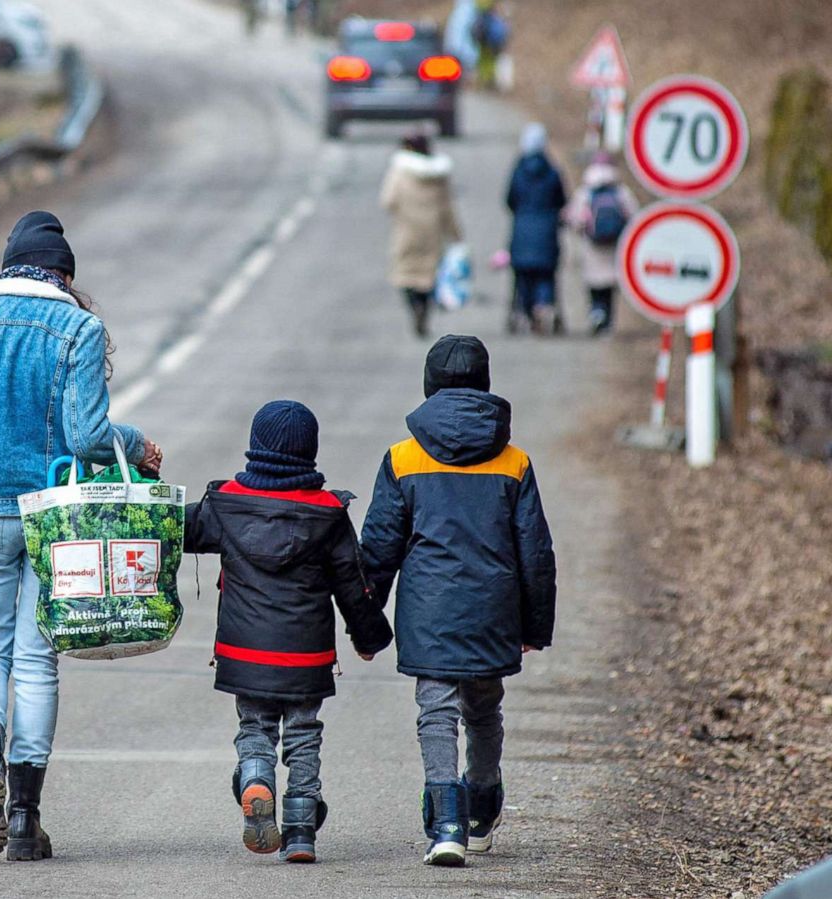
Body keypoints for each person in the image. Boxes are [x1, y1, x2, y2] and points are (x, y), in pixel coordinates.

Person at [0, 210, 161, 863]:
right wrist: (135, 445)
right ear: (64, 274)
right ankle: (22, 819)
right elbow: (89, 439)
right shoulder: (79, 328)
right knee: (38, 659)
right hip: (54, 521)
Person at [359, 335, 557, 867]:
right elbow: (535, 550)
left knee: (437, 711)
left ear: (429, 385)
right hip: (495, 607)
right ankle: (482, 807)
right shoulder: (514, 461)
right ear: (485, 385)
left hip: (430, 608)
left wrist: (365, 621)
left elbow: (379, 547)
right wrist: (535, 626)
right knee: (484, 708)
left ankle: (445, 822)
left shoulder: (403, 457)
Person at [184, 400, 394, 864]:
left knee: (255, 726)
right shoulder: (328, 513)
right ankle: (300, 831)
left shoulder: (226, 503)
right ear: (310, 452)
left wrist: (131, 497)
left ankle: (257, 778)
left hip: (244, 652)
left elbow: (177, 529)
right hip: (306, 656)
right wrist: (370, 637)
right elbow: (352, 585)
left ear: (255, 447)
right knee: (303, 734)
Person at [381, 133, 464, 338]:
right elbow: (447, 207)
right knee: (429, 276)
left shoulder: (399, 172)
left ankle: (414, 308)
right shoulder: (439, 175)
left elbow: (388, 200)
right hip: (433, 233)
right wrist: (456, 235)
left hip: (407, 232)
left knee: (407, 275)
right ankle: (424, 311)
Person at [563, 152, 638, 335]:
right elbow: (634, 216)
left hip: (592, 246)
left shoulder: (586, 192)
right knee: (609, 286)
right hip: (614, 246)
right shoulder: (621, 191)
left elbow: (575, 218)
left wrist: (581, 229)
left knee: (594, 283)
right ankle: (607, 322)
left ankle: (596, 312)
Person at [505, 123, 568, 335]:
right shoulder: (552, 171)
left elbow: (509, 200)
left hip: (522, 231)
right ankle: (544, 306)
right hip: (547, 232)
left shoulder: (518, 171)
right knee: (545, 275)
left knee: (523, 277)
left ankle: (526, 311)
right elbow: (562, 200)